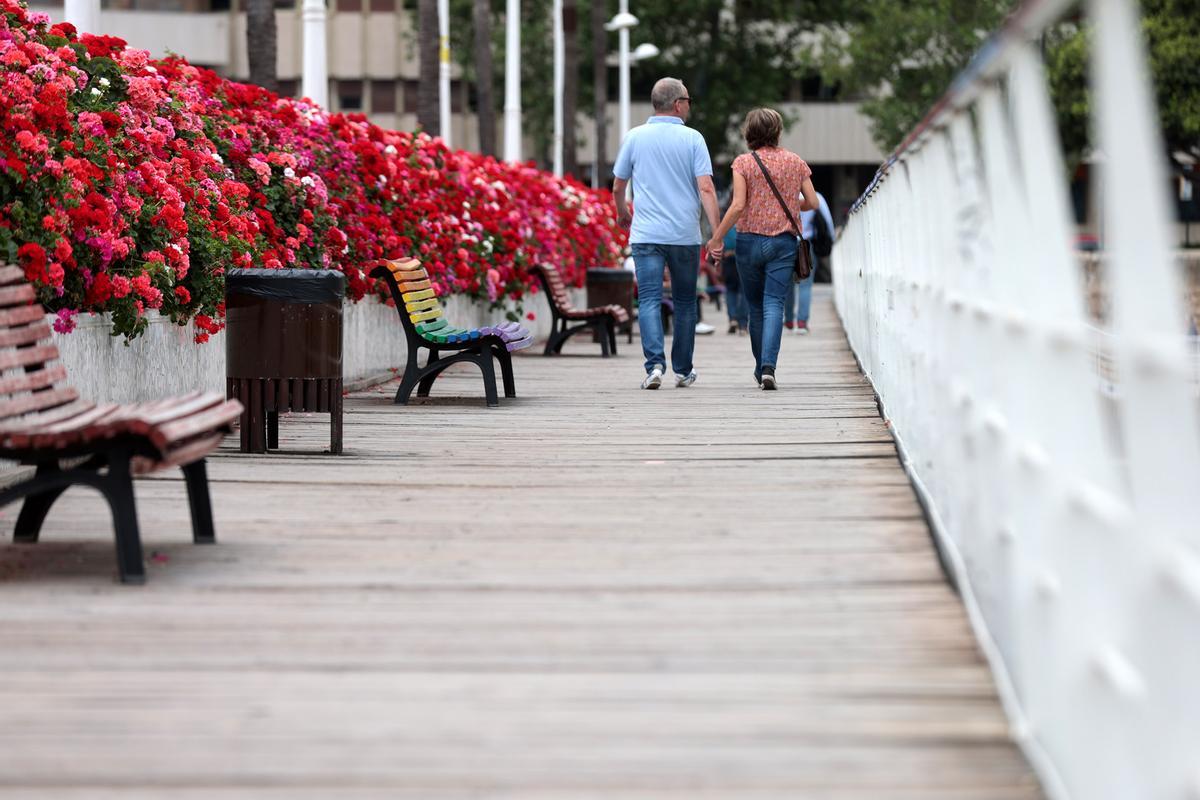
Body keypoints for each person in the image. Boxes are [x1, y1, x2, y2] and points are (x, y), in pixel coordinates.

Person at [613, 77, 721, 390]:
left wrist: (622, 214)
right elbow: (706, 187)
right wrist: (716, 234)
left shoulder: (634, 137)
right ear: (677, 104)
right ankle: (683, 370)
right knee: (686, 302)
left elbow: (619, 185)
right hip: (684, 236)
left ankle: (654, 366)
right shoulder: (693, 139)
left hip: (645, 235)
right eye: (688, 100)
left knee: (648, 299)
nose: (689, 105)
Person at [706, 108, 817, 390]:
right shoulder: (795, 161)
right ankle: (769, 366)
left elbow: (739, 205)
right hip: (783, 243)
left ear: (749, 132)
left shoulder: (743, 162)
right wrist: (794, 205)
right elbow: (813, 202)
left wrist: (716, 237)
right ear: (777, 131)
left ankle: (760, 367)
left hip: (748, 242)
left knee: (755, 306)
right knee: (774, 305)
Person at [783, 191, 834, 335]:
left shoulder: (784, 192)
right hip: (806, 244)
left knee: (788, 284)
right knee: (805, 284)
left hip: (785, 242)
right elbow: (828, 222)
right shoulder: (816, 196)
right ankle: (802, 322)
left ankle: (788, 320)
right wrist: (831, 240)